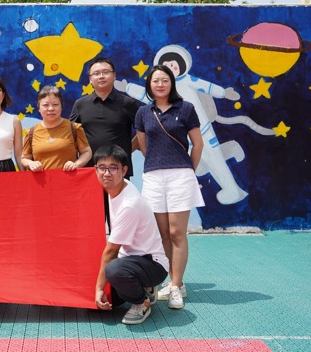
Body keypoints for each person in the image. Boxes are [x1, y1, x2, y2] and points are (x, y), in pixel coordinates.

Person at [134, 64, 204, 310]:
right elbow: (144, 146)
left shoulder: (186, 109)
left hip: (180, 176)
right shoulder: (143, 112)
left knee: (177, 233)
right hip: (153, 177)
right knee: (162, 233)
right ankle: (174, 281)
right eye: (155, 81)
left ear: (172, 83)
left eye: (165, 80)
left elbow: (197, 144)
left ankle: (175, 286)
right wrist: (158, 163)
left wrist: (187, 170)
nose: (160, 84)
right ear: (149, 85)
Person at [93, 145, 168, 325]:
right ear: (95, 169)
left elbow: (111, 252)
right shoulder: (118, 186)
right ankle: (144, 287)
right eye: (102, 167)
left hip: (153, 264)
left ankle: (141, 302)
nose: (107, 173)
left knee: (113, 271)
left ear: (124, 170)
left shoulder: (129, 204)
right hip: (131, 260)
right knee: (100, 300)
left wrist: (99, 289)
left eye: (113, 168)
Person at [70, 57, 144, 225]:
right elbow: (71, 135)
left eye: (105, 72)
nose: (101, 76)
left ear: (114, 75)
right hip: (90, 172)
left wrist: (126, 150)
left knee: (119, 222)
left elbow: (144, 131)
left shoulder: (128, 103)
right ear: (90, 79)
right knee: (91, 222)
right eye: (96, 73)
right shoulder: (80, 104)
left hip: (118, 171)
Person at [21, 85, 92, 171]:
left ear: (61, 106)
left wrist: (76, 164)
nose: (51, 109)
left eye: (55, 104)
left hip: (69, 178)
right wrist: (31, 164)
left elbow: (87, 152)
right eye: (45, 105)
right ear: (39, 108)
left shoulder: (74, 128)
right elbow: (24, 158)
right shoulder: (31, 132)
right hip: (41, 179)